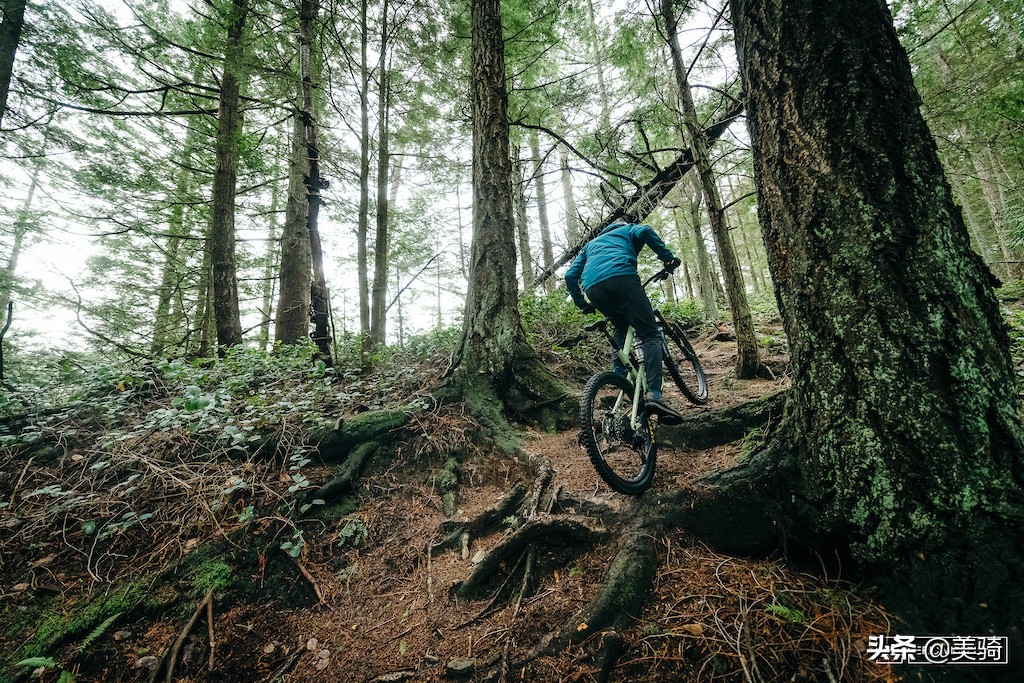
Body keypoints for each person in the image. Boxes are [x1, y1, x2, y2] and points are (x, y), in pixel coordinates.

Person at [565, 222, 682, 419]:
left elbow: (570, 275)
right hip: (622, 277)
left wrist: (582, 304)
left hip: (593, 288)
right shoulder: (627, 229)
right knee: (650, 334)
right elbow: (645, 230)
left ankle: (618, 375)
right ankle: (654, 393)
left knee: (620, 324)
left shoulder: (590, 245)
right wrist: (667, 258)